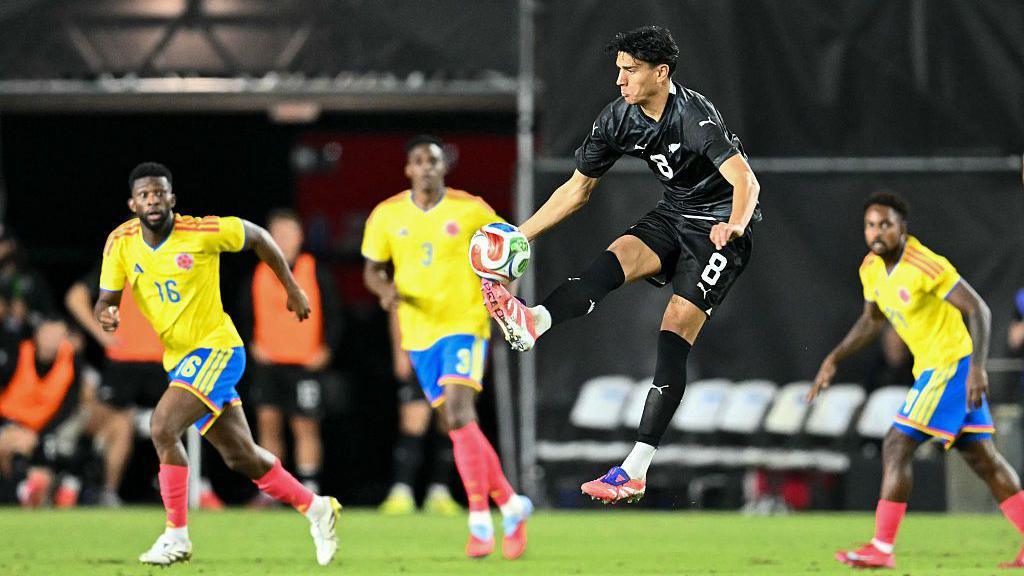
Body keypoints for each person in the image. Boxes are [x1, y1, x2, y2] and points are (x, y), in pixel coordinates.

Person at [480, 25, 761, 504]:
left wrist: (734, 225)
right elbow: (577, 189)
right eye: (618, 69)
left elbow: (746, 182)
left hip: (719, 227)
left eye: (630, 70)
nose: (620, 80)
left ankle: (635, 469)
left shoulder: (693, 117)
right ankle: (535, 321)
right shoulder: (618, 118)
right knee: (614, 258)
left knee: (674, 326)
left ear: (661, 73)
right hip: (675, 212)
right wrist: (519, 235)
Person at [95, 162, 341, 566]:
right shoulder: (120, 242)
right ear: (133, 204)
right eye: (144, 195)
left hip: (216, 350)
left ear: (172, 199)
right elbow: (106, 299)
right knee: (242, 456)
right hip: (180, 361)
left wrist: (292, 287)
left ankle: (176, 536)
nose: (152, 201)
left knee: (162, 426)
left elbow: (258, 237)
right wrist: (106, 313)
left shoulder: (201, 232)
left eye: (159, 193)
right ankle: (317, 508)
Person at [809, 191, 1024, 569]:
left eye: (885, 224)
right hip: (933, 369)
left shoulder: (924, 264)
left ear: (902, 227)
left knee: (896, 444)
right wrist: (834, 358)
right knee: (983, 460)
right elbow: (872, 320)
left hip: (950, 366)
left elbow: (979, 309)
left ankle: (882, 547)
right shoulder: (871, 268)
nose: (877, 232)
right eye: (870, 225)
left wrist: (977, 368)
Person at [362, 135, 532, 559]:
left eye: (434, 161)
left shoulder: (470, 208)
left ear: (444, 168)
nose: (427, 167)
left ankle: (480, 521)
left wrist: (505, 300)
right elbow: (372, 269)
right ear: (408, 169)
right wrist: (384, 291)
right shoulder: (387, 214)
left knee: (457, 414)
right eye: (419, 161)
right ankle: (511, 504)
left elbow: (512, 247)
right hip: (418, 333)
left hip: (464, 324)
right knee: (459, 426)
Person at [238, 209, 341, 498]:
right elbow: (243, 316)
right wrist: (251, 344)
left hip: (305, 365)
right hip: (269, 365)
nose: (283, 240)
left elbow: (334, 314)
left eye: (288, 233)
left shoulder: (316, 272)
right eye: (277, 234)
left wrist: (327, 350)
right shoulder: (257, 274)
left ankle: (309, 487)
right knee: (268, 424)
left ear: (300, 237)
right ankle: (270, 491)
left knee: (305, 426)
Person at [65, 263, 168, 506]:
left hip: (163, 363)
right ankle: (78, 481)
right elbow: (75, 297)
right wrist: (100, 334)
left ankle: (196, 488)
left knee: (187, 419)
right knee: (112, 422)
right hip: (122, 364)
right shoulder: (119, 262)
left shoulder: (175, 261)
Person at [379, 309, 461, 516]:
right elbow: (398, 308)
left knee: (449, 420)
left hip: (453, 350)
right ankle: (401, 491)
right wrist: (399, 351)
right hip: (419, 350)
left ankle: (440, 491)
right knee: (413, 421)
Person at [0, 317, 88, 506]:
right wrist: (10, 427)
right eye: (48, 334)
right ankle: (15, 491)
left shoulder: (72, 362)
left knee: (42, 472)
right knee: (7, 445)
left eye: (58, 335)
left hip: (44, 431)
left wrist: (37, 435)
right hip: (9, 423)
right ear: (38, 334)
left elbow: (68, 407)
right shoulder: (17, 353)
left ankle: (32, 491)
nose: (52, 340)